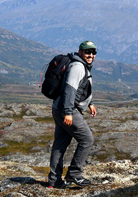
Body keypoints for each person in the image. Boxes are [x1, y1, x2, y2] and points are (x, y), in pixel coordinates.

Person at [48, 41, 97, 188]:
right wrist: (68, 112)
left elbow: (81, 88)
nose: (91, 55)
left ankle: (54, 181)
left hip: (59, 107)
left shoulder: (81, 65)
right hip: (66, 109)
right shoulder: (77, 67)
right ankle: (74, 174)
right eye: (87, 52)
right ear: (80, 52)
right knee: (87, 139)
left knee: (60, 144)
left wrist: (90, 103)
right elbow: (69, 90)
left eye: (93, 52)